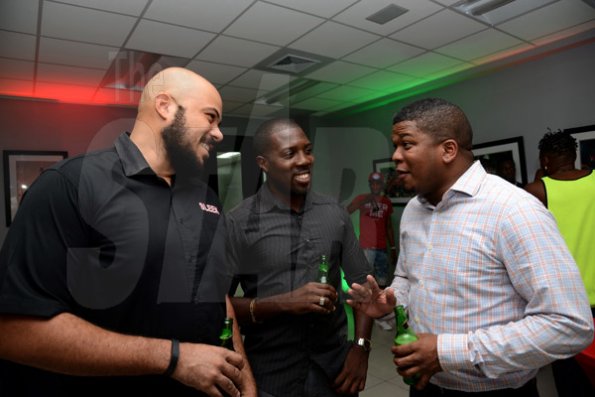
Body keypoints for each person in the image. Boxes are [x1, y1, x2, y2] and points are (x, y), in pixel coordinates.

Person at [0, 67, 256, 396]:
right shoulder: (70, 185)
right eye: (210, 117)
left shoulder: (204, 197)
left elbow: (215, 297)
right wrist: (174, 358)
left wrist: (246, 382)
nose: (219, 133)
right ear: (165, 106)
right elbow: (14, 331)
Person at [348, 98, 594, 396]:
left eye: (407, 144)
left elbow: (570, 325)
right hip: (426, 385)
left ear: (448, 150)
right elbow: (407, 279)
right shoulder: (414, 210)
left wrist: (447, 352)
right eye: (395, 145)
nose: (396, 156)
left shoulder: (514, 210)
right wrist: (391, 303)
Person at [227, 118, 373, 397]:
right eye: (289, 153)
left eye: (307, 150)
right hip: (271, 375)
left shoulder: (335, 213)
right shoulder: (239, 222)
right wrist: (283, 303)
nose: (305, 160)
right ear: (263, 163)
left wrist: (361, 348)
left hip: (336, 372)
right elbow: (218, 306)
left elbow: (362, 286)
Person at [525, 129, 595, 396]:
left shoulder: (536, 191)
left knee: (570, 378)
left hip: (566, 301)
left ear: (544, 160)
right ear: (575, 155)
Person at [347, 171, 396, 330]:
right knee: (365, 283)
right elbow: (346, 211)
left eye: (378, 183)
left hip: (381, 247)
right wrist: (365, 200)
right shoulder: (362, 198)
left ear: (381, 185)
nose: (375, 186)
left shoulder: (386, 202)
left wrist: (393, 247)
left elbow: (388, 226)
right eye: (372, 183)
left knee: (381, 282)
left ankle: (381, 317)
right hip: (365, 248)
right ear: (370, 185)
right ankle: (364, 316)